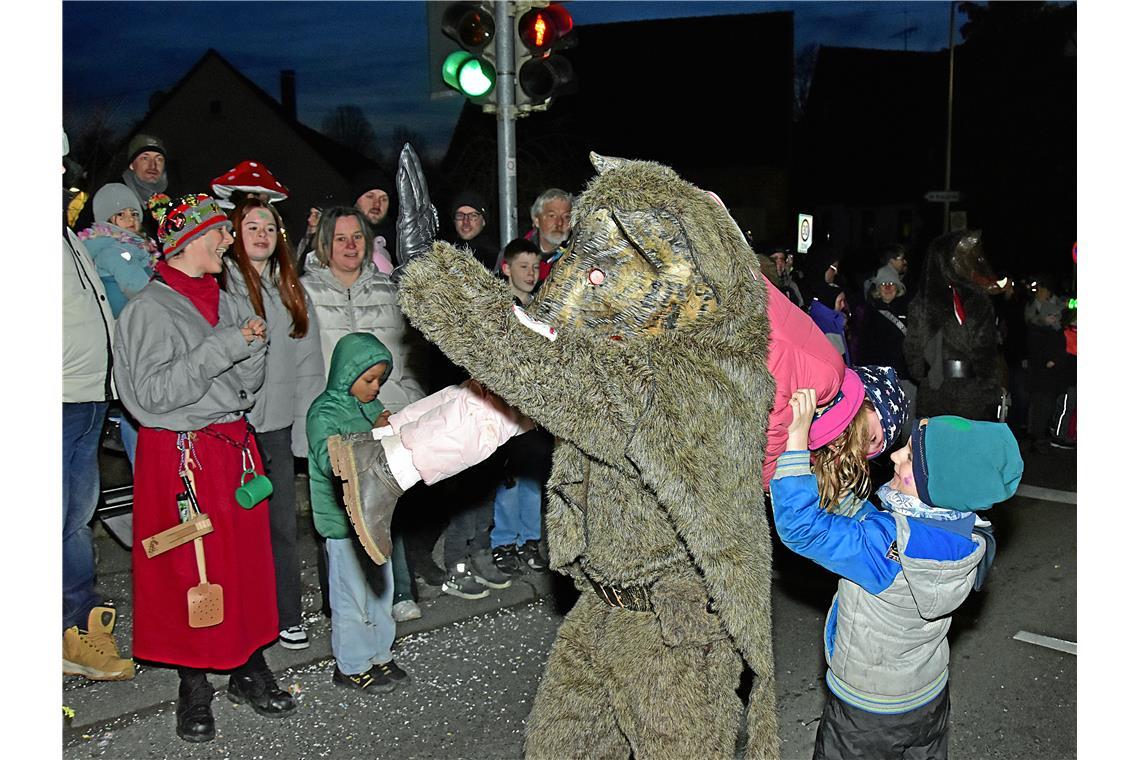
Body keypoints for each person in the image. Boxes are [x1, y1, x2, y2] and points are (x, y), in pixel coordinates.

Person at [114, 193, 294, 743]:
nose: (228, 241)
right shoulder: (149, 308)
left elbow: (245, 382)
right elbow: (149, 396)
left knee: (243, 563)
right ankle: (194, 683)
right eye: (221, 232)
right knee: (192, 568)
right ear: (190, 239)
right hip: (181, 460)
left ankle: (246, 666)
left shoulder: (227, 298)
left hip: (231, 449)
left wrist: (251, 347)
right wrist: (226, 347)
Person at [771, 391, 1022, 760]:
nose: (893, 457)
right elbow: (883, 527)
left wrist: (794, 445)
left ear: (933, 487)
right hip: (928, 697)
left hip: (868, 712)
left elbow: (801, 527)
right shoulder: (968, 533)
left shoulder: (884, 548)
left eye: (907, 460)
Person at [301, 205, 429, 620]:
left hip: (385, 413)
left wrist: (407, 400)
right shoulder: (306, 293)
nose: (350, 246)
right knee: (336, 505)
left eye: (357, 236)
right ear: (324, 245)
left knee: (389, 500)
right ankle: (340, 602)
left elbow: (409, 353)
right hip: (336, 417)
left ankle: (398, 591)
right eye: (340, 238)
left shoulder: (387, 290)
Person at [219, 198, 324, 650]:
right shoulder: (220, 283)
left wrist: (304, 426)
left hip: (276, 425)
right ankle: (241, 614)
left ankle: (286, 612)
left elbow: (308, 365)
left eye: (270, 227)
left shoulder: (291, 289)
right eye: (251, 226)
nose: (261, 234)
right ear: (234, 234)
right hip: (232, 426)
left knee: (281, 523)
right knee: (235, 526)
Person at [62, 131, 134, 682]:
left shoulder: (68, 237)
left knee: (77, 517)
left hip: (90, 394)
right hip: (56, 396)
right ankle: (68, 622)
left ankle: (78, 610)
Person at [307, 332, 409, 693]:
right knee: (351, 595)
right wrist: (373, 435)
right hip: (343, 521)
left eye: (380, 379)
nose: (375, 387)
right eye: (369, 380)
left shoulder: (367, 406)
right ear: (346, 375)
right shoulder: (323, 413)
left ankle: (380, 652)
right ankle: (351, 664)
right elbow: (328, 460)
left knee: (381, 590)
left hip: (375, 516)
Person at [491, 238, 550, 574]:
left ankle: (530, 540)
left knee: (531, 477)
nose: (530, 273)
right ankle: (504, 542)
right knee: (508, 478)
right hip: (507, 407)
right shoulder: (502, 309)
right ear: (506, 269)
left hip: (535, 410)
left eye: (534, 267)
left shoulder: (541, 306)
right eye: (523, 267)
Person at [806, 365, 909, 516]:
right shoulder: (816, 379)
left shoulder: (823, 464)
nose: (861, 446)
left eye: (865, 452)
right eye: (873, 438)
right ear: (865, 400)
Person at [78, 183, 159, 317]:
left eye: (134, 213)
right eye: (121, 214)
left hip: (134, 314)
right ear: (107, 220)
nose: (130, 218)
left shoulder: (134, 246)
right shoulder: (115, 250)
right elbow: (136, 286)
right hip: (127, 319)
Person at [120, 134, 171, 239]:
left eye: (159, 159)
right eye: (145, 158)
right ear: (132, 165)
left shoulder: (175, 200)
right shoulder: (115, 197)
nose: (153, 166)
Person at [522, 188, 572, 279]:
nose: (559, 223)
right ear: (536, 220)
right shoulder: (516, 255)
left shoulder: (581, 254)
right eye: (552, 216)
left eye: (566, 217)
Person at [445, 191, 499, 271]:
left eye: (473, 216)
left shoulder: (496, 259)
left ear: (484, 221)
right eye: (460, 215)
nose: (466, 221)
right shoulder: (444, 253)